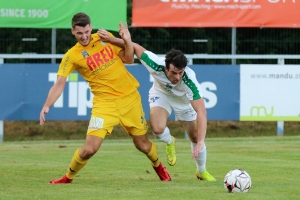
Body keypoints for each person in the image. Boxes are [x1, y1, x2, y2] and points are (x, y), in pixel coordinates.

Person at [39, 12, 171, 184]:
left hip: (129, 99)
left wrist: (126, 40)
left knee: (143, 145)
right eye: (80, 33)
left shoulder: (104, 38)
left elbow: (129, 58)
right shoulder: (72, 56)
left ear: (90, 28)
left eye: (87, 31)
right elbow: (59, 83)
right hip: (104, 105)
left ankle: (159, 167)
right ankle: (67, 177)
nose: (84, 36)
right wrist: (47, 105)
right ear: (72, 31)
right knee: (90, 149)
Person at [98, 30, 216, 181]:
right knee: (158, 130)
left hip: (183, 102)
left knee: (195, 136)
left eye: (180, 73)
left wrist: (200, 142)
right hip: (161, 95)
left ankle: (201, 171)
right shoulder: (154, 63)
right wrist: (110, 39)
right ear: (166, 68)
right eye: (174, 73)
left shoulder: (189, 81)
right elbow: (134, 46)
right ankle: (170, 141)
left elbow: (202, 112)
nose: (177, 77)